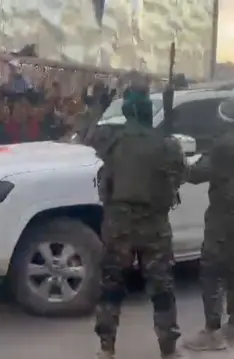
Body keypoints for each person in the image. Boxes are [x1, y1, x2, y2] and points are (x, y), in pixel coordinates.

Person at [94, 82, 187, 359]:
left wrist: (99, 105)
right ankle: (168, 350)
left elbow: (91, 137)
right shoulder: (166, 143)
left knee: (112, 285)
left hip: (118, 223)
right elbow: (180, 175)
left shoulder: (112, 139)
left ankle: (106, 348)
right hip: (154, 226)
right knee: (161, 288)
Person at [182, 97, 234, 352]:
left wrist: (178, 161)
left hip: (222, 217)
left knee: (211, 272)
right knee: (233, 268)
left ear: (221, 118)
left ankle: (212, 332)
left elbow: (196, 175)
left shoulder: (223, 146)